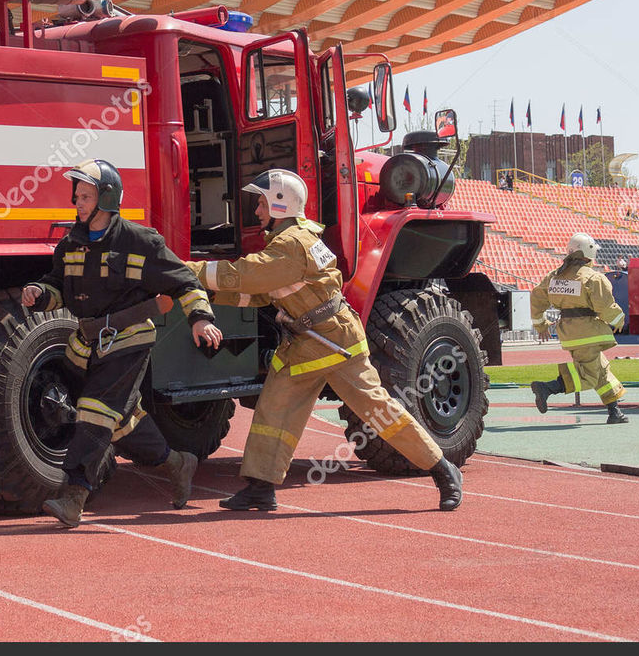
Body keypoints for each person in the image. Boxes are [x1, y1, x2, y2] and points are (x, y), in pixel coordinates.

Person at [185, 168, 463, 512]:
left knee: (378, 410)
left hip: (333, 340)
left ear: (279, 204)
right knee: (274, 411)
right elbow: (258, 295)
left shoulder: (291, 245)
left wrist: (189, 271)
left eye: (260, 203)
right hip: (304, 340)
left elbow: (246, 275)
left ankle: (442, 469)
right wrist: (210, 294)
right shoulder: (289, 242)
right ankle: (260, 487)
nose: (256, 211)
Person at [21, 159, 224, 527]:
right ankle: (177, 464)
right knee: (122, 424)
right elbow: (58, 287)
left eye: (85, 196)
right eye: (77, 196)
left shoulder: (141, 241)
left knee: (94, 411)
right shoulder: (70, 243)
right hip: (86, 346)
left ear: (107, 198)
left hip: (128, 343)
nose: (77, 203)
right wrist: (40, 293)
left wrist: (201, 318)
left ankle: (74, 496)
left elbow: (185, 283)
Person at [529, 234, 628, 424]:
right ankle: (548, 388)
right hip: (588, 333)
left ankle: (614, 412)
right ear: (588, 252)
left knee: (600, 369)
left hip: (568, 333)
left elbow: (536, 298)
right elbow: (605, 307)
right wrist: (620, 320)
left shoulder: (554, 276)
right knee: (589, 376)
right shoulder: (592, 277)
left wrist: (541, 325)